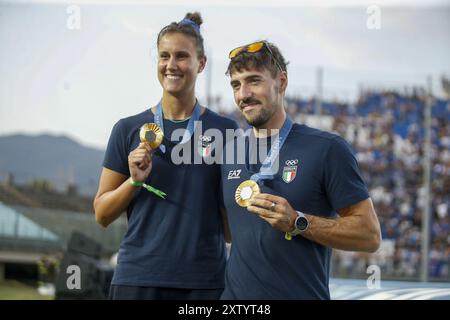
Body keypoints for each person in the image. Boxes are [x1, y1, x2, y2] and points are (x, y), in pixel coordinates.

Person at [220, 40, 381, 299]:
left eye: (254, 81)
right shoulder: (228, 152)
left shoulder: (327, 148)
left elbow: (369, 235)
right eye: (236, 85)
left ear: (281, 82)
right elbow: (230, 231)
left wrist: (298, 222)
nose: (243, 94)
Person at [93, 12, 237, 300]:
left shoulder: (226, 131)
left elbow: (231, 229)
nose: (172, 65)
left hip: (203, 282)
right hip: (137, 278)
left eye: (182, 56)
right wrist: (133, 182)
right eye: (164, 56)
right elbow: (102, 214)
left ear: (202, 63)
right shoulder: (127, 129)